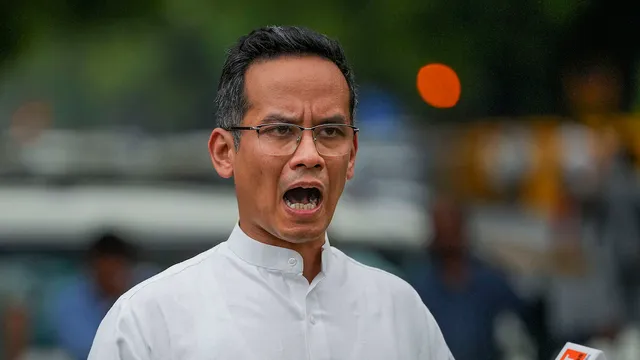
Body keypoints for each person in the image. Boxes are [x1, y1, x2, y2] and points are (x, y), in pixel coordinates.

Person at [88, 26, 453, 360]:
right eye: (281, 130)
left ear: (352, 153)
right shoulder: (148, 323)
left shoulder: (399, 312)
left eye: (329, 132)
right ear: (224, 152)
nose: (309, 155)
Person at [405, 196, 525, 360]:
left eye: (451, 226)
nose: (447, 234)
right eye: (441, 227)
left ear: (463, 228)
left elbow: (520, 332)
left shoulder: (491, 282)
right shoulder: (419, 286)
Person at [50, 232, 140, 360]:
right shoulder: (71, 300)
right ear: (92, 268)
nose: (112, 277)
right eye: (106, 271)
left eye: (116, 269)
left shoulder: (146, 290)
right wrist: (115, 302)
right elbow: (83, 347)